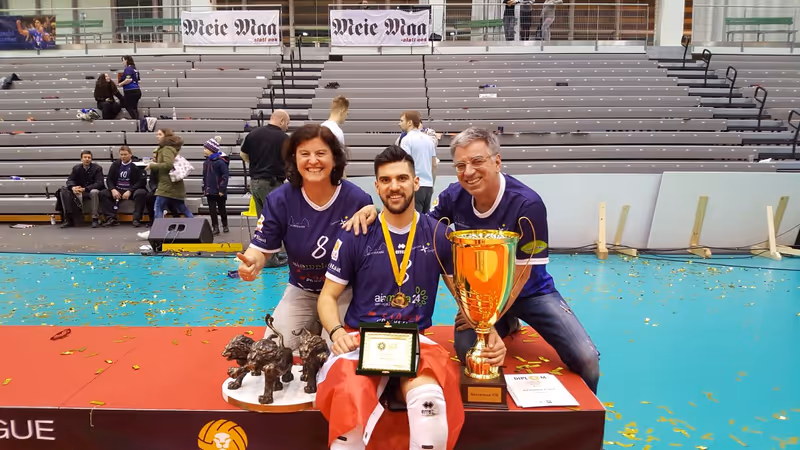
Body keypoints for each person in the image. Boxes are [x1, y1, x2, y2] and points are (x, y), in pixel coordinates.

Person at [342, 127, 600, 394]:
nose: (468, 172)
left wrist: (489, 318)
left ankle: (509, 320)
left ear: (497, 161)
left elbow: (522, 273)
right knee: (468, 350)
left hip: (531, 293)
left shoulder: (527, 204)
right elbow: (418, 225)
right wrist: (374, 209)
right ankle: (508, 322)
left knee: (587, 360)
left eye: (477, 161)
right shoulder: (454, 197)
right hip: (480, 297)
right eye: (460, 165)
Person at [315, 146, 502, 450]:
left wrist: (488, 329)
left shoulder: (439, 234)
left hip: (415, 340)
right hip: (361, 340)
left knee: (431, 404)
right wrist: (336, 333)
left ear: (416, 182)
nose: (394, 186)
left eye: (402, 178)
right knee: (349, 411)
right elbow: (327, 296)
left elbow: (462, 294)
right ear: (377, 187)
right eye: (386, 180)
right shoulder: (356, 233)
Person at [236, 124, 373, 351]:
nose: (313, 161)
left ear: (335, 158)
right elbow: (260, 246)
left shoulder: (358, 199)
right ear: (294, 159)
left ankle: (324, 327)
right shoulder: (279, 199)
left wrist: (375, 211)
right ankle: (312, 324)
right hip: (302, 289)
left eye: (321, 153)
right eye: (305, 154)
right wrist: (252, 261)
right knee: (275, 349)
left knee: (342, 350)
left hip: (345, 290)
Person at [145, 129, 194, 220]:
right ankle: (194, 224)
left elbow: (168, 164)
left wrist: (152, 166)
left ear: (166, 136)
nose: (157, 136)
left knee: (158, 207)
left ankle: (158, 228)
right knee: (182, 207)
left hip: (167, 184)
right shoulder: (166, 149)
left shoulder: (166, 149)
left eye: (160, 134)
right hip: (172, 184)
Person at [397, 111, 437, 214]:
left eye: (401, 121)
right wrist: (431, 185)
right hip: (428, 187)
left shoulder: (406, 140)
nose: (399, 123)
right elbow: (434, 165)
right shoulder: (429, 140)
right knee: (425, 220)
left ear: (409, 122)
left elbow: (405, 165)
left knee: (414, 220)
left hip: (415, 186)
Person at [58, 150, 106, 229]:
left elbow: (99, 183)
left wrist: (85, 189)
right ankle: (70, 218)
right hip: (80, 190)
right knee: (65, 192)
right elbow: (70, 180)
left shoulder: (97, 168)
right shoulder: (76, 168)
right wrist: (73, 187)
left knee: (94, 192)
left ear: (91, 159)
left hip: (91, 190)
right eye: (85, 157)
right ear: (81, 159)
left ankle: (95, 218)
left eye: (89, 157)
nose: (87, 159)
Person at [100, 145, 147, 227]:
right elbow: (109, 179)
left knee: (141, 193)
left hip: (132, 190)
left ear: (130, 154)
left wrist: (130, 190)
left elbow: (142, 181)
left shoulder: (137, 164)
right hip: (118, 189)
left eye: (125, 154)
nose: (123, 157)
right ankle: (111, 218)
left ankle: (136, 219)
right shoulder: (115, 164)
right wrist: (113, 189)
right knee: (103, 193)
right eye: (121, 155)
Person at [202, 136, 230, 235]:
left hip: (219, 191)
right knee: (212, 210)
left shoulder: (221, 162)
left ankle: (225, 225)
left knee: (222, 209)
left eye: (206, 148)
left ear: (211, 150)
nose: (204, 150)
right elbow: (204, 177)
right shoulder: (206, 162)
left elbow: (225, 176)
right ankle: (215, 227)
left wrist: (222, 189)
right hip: (210, 190)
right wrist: (204, 188)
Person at [119, 55, 141, 120]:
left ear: (126, 60)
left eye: (123, 60)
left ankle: (135, 120)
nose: (122, 62)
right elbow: (139, 81)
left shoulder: (128, 69)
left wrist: (120, 84)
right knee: (134, 107)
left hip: (130, 90)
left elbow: (128, 79)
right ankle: (137, 121)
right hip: (137, 90)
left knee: (128, 106)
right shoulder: (135, 69)